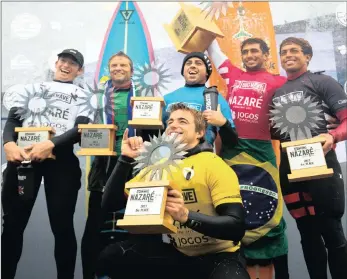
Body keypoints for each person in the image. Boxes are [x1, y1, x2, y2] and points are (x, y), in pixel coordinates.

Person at [95, 103, 250, 279]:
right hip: (180, 255)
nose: (173, 125)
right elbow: (110, 204)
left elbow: (236, 227)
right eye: (170, 122)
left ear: (200, 133)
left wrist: (186, 216)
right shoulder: (157, 167)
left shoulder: (213, 164)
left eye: (182, 121)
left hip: (220, 256)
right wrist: (125, 160)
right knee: (113, 256)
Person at [2, 49, 91, 279]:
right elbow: (13, 119)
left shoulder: (83, 95)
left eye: (72, 63)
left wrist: (50, 144)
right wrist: (8, 144)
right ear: (56, 63)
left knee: (62, 227)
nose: (66, 65)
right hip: (24, 158)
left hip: (61, 162)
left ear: (79, 70)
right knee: (12, 225)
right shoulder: (33, 89)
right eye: (63, 60)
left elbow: (80, 130)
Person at [206, 38, 289, 278]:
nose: (250, 55)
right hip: (232, 150)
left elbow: (301, 101)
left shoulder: (279, 82)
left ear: (265, 54)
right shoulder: (232, 75)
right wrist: (203, 24)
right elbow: (212, 48)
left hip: (262, 152)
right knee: (234, 209)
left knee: (266, 211)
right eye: (245, 52)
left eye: (255, 51)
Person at [271, 37, 347, 279]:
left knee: (331, 230)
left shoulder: (322, 82)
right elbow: (272, 130)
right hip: (290, 167)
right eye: (284, 52)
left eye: (294, 50)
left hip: (322, 162)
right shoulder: (277, 92)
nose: (288, 55)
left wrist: (333, 136)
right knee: (307, 232)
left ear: (308, 56)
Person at [81, 51, 153, 279]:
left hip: (137, 167)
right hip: (103, 167)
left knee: (138, 224)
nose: (118, 68)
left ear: (131, 70)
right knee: (94, 226)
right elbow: (82, 125)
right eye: (114, 65)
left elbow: (156, 130)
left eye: (123, 65)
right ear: (108, 70)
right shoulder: (96, 96)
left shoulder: (146, 95)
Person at [163, 52, 238, 146]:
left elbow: (232, 141)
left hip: (200, 155)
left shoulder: (214, 98)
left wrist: (223, 123)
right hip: (170, 156)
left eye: (198, 63)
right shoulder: (167, 98)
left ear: (207, 71)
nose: (193, 66)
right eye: (188, 63)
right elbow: (153, 132)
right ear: (183, 71)